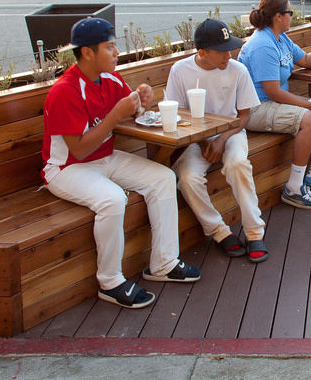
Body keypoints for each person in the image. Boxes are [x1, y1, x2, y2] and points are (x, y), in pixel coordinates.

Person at [41, 17, 199, 309]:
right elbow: (79, 149)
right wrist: (115, 115)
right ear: (87, 52)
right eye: (110, 47)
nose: (116, 53)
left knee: (163, 178)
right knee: (113, 199)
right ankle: (110, 282)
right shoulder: (65, 91)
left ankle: (164, 263)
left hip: (104, 157)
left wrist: (142, 99)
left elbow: (133, 110)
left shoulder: (110, 79)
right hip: (66, 168)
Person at [165, 18, 269, 263]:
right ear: (202, 52)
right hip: (194, 137)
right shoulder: (180, 70)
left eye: (230, 47)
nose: (229, 55)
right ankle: (219, 231)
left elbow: (244, 116)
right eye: (222, 51)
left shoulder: (238, 70)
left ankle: (255, 231)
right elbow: (178, 114)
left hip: (231, 131)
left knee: (237, 165)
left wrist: (221, 140)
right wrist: (202, 142)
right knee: (188, 178)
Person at [238, 0, 311, 210]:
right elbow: (273, 92)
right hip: (255, 108)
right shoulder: (262, 45)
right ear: (278, 17)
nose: (292, 17)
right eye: (290, 13)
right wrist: (309, 105)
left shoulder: (281, 38)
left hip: (274, 103)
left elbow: (305, 60)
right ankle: (294, 188)